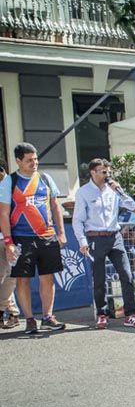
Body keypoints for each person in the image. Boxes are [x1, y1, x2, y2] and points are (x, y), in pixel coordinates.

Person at [0, 143, 68, 334]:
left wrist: (61, 232)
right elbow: (3, 213)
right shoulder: (9, 181)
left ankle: (48, 317)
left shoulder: (45, 178)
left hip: (47, 236)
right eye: (29, 160)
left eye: (36, 159)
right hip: (21, 238)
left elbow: (55, 206)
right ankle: (29, 319)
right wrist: (8, 242)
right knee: (23, 279)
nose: (34, 163)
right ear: (18, 161)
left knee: (48, 277)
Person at [72, 158, 135, 330]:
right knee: (99, 278)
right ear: (93, 172)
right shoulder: (83, 192)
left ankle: (130, 314)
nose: (107, 175)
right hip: (95, 237)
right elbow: (77, 220)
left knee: (126, 275)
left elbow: (132, 205)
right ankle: (102, 314)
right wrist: (82, 241)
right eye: (103, 172)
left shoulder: (113, 190)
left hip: (115, 236)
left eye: (109, 172)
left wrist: (119, 190)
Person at [0, 160, 18, 329]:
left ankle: (10, 312)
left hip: (12, 237)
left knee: (11, 277)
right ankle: (12, 312)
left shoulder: (13, 186)